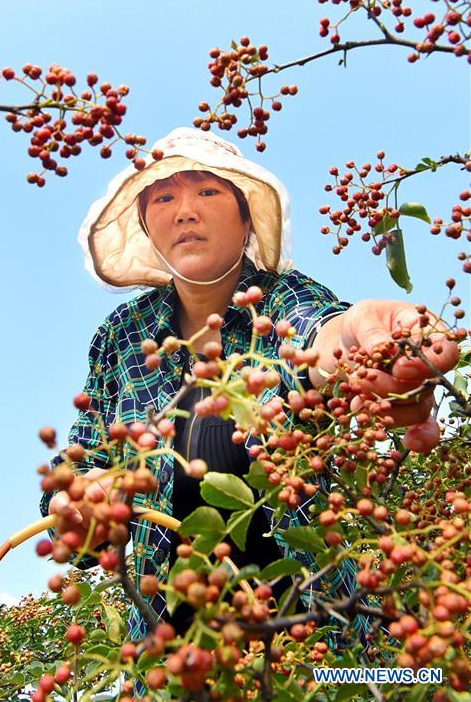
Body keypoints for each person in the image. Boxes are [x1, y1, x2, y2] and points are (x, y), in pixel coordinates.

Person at [40, 126, 459, 648]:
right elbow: (85, 459)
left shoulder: (280, 298)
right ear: (147, 226)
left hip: (312, 638)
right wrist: (77, 505)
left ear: (245, 221)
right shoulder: (122, 337)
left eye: (207, 191)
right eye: (164, 198)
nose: (185, 211)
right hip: (174, 650)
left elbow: (317, 336)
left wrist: (358, 340)